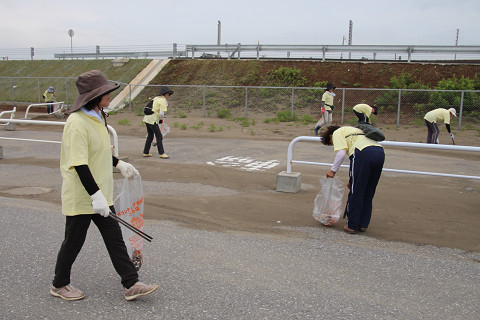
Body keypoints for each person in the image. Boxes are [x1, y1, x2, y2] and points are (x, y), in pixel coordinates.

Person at [50, 70, 158, 301]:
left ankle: (131, 283)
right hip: (83, 194)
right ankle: (59, 284)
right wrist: (95, 195)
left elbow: (97, 154)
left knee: (114, 238)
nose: (110, 95)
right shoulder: (77, 122)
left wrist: (119, 163)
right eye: (105, 92)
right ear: (93, 97)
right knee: (74, 241)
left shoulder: (98, 117)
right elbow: (79, 163)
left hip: (101, 194)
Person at [320, 125, 385, 234]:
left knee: (356, 192)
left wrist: (333, 171)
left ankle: (352, 225)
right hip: (379, 152)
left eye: (331, 143)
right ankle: (362, 224)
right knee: (368, 191)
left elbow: (341, 153)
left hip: (362, 153)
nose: (334, 145)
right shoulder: (353, 131)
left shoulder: (337, 133)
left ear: (330, 136)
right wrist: (352, 179)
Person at [143, 86, 173, 159]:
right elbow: (161, 114)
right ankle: (161, 153)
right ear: (165, 94)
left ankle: (146, 152)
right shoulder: (163, 100)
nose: (168, 95)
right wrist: (161, 120)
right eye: (168, 93)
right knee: (159, 136)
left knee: (150, 135)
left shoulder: (156, 98)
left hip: (147, 119)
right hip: (153, 120)